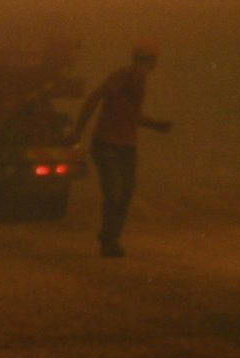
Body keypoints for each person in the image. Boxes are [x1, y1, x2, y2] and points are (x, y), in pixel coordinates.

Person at [70, 44, 170, 259]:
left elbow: (130, 113)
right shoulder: (125, 75)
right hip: (108, 144)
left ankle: (111, 238)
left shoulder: (133, 78)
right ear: (152, 62)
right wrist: (78, 131)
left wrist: (155, 125)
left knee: (122, 193)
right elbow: (95, 97)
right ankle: (109, 240)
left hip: (124, 146)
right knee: (117, 193)